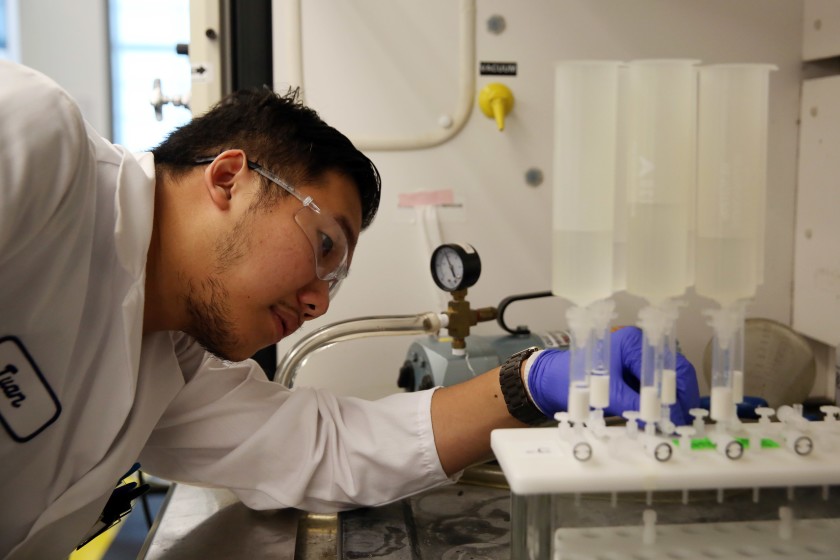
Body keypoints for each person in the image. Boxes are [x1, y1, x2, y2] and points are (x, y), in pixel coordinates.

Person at [0, 60, 699, 559]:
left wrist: (534, 380)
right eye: (322, 243)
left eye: (334, 280)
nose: (314, 301)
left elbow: (328, 447)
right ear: (228, 179)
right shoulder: (41, 146)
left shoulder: (179, 359)